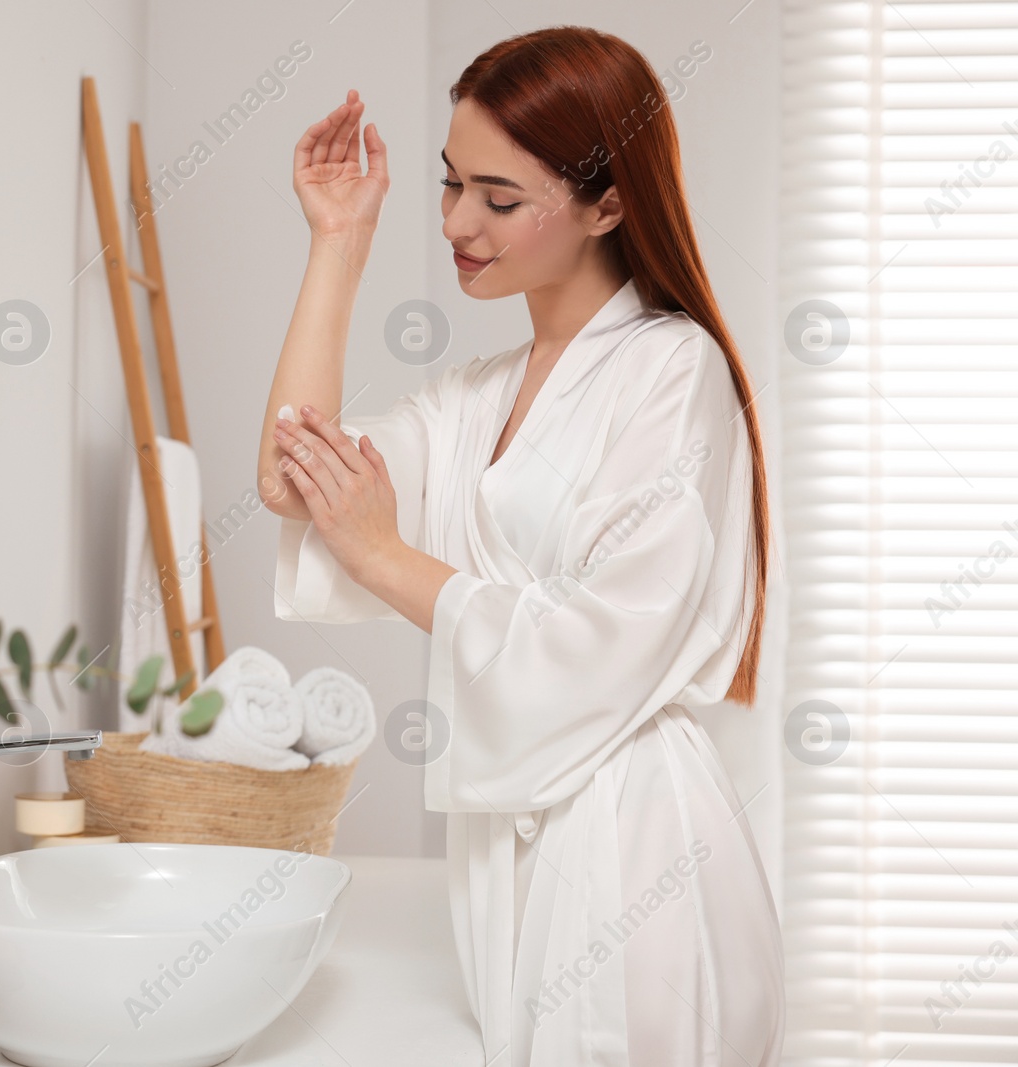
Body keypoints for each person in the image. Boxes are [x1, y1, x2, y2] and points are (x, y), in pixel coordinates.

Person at [257, 26, 784, 1066]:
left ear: (608, 203)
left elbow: (598, 643)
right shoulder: (477, 397)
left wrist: (385, 557)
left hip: (634, 847)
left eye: (499, 200)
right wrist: (336, 245)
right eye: (451, 185)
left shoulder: (674, 374)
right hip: (507, 850)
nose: (455, 221)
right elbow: (293, 479)